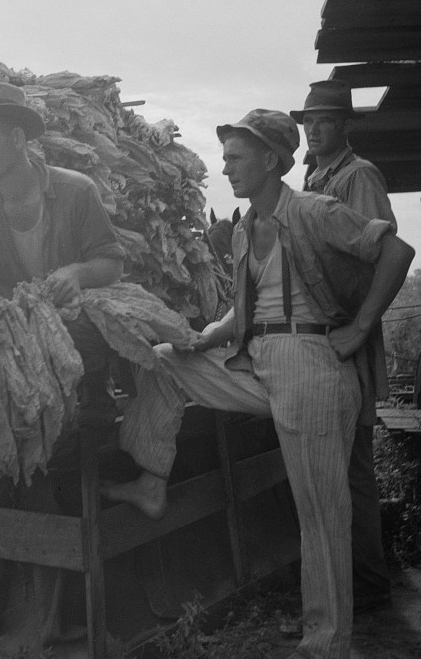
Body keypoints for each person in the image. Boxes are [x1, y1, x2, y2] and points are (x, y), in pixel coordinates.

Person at [105, 109, 415, 659]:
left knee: (321, 512)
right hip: (258, 358)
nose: (226, 169)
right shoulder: (246, 228)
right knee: (162, 360)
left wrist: (363, 325)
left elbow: (397, 251)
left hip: (312, 363)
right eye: (225, 159)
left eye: (236, 157)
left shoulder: (316, 211)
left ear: (271, 159)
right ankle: (152, 479)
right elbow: (246, 307)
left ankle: (327, 645)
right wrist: (204, 338)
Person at [0, 81, 126, 651]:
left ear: (17, 137)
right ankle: (9, 594)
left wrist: (77, 274)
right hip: (17, 350)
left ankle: (48, 605)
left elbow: (111, 262)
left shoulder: (74, 191)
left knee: (50, 437)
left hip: (75, 347)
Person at [292, 79, 396, 615]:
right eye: (308, 121)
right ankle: (358, 580)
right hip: (327, 336)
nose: (313, 129)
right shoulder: (315, 176)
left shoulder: (359, 176)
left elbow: (384, 252)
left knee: (351, 464)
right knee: (338, 460)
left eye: (325, 120)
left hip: (347, 335)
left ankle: (368, 584)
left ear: (346, 126)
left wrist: (359, 326)